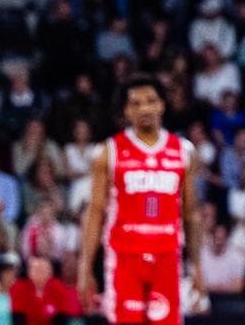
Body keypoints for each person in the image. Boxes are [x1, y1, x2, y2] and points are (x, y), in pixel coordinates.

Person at [78, 76, 204, 325]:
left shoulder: (184, 151)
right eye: (135, 103)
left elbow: (191, 214)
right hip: (124, 259)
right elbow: (95, 212)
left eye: (150, 101)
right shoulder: (108, 152)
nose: (144, 108)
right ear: (126, 110)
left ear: (162, 105)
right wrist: (85, 267)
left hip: (167, 258)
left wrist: (198, 266)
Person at [9, 254, 83, 325]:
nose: (40, 272)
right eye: (36, 269)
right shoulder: (18, 288)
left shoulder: (58, 287)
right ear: (29, 272)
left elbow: (61, 318)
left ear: (50, 272)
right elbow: (18, 318)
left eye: (43, 269)